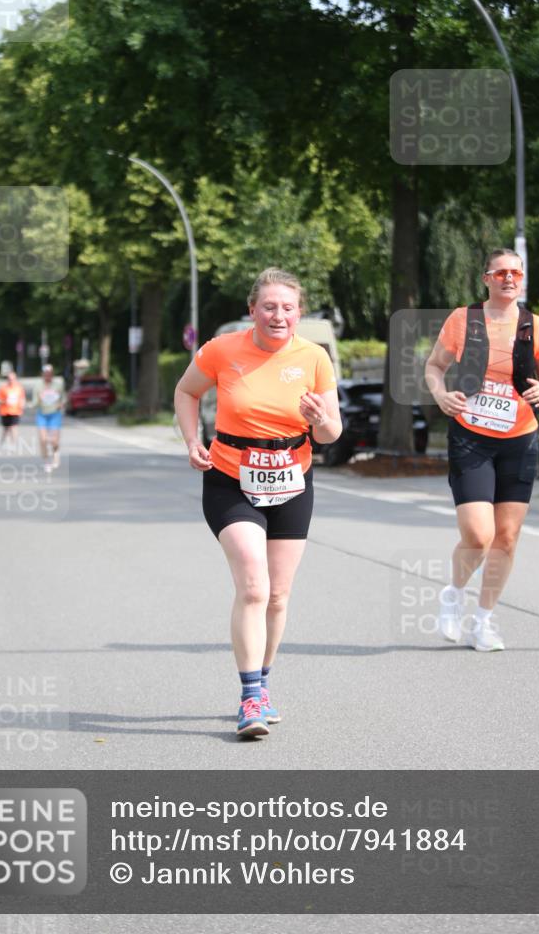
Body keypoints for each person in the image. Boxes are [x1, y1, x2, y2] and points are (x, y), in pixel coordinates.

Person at [174, 268, 342, 738]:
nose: (278, 315)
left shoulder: (314, 357)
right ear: (253, 310)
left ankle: (263, 682)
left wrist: (321, 419)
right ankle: (250, 696)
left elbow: (333, 433)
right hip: (230, 476)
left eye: (288, 307)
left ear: (299, 313)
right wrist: (192, 441)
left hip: (293, 479)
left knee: (278, 594)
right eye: (269, 306)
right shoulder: (222, 349)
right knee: (253, 584)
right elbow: (186, 392)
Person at [425, 249, 539, 652]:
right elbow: (434, 367)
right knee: (479, 535)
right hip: (471, 437)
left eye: (516, 272)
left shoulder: (535, 326)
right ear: (486, 278)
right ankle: (454, 593)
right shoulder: (463, 320)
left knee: (507, 537)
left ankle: (483, 621)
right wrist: (440, 395)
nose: (509, 278)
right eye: (501, 272)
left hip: (520, 439)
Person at [31, 364, 65, 472]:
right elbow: (34, 403)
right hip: (42, 414)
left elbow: (64, 398)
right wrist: (39, 400)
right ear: (42, 375)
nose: (47, 376)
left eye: (49, 374)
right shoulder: (38, 386)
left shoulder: (58, 385)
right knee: (43, 440)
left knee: (54, 441)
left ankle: (56, 453)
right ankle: (47, 461)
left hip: (55, 414)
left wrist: (62, 404)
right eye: (45, 374)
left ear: (52, 374)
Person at [0, 371, 26, 451]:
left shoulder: (19, 388)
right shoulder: (3, 388)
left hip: (15, 411)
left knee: (14, 427)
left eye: (13, 379)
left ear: (15, 379)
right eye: (9, 379)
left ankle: (14, 444)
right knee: (6, 428)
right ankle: (2, 443)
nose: (11, 380)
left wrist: (22, 405)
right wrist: (5, 401)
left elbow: (22, 399)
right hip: (5, 411)